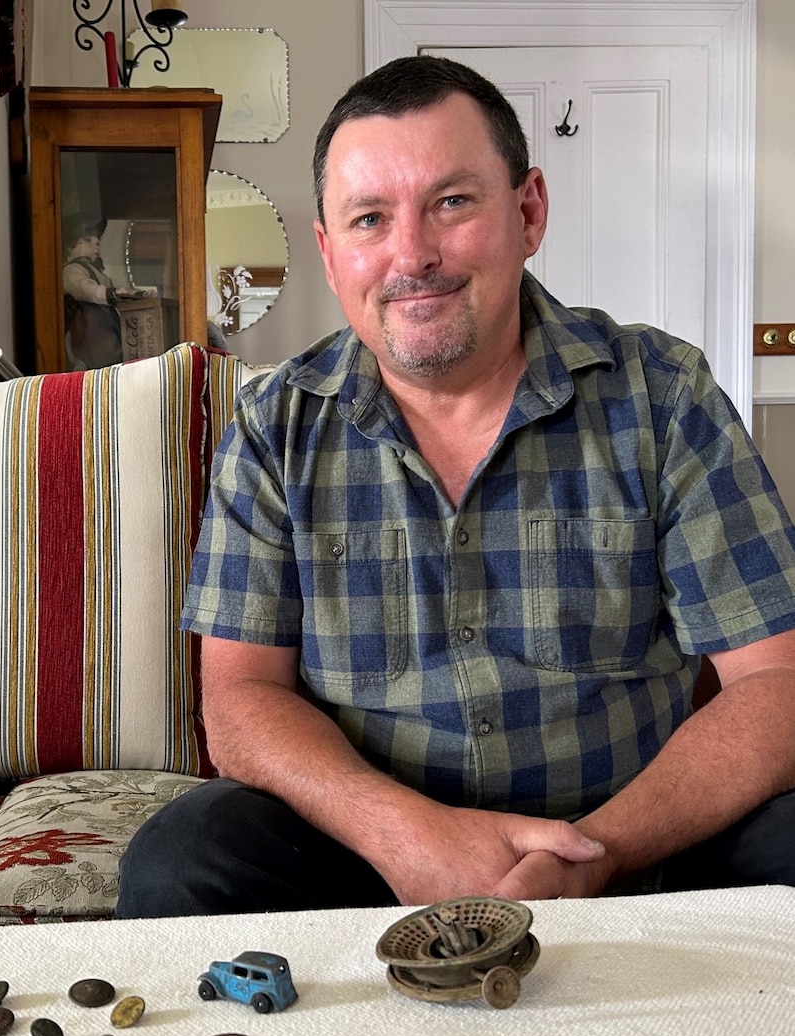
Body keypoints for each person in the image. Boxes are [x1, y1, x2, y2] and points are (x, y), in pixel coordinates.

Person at [117, 56, 795, 918]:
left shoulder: (664, 396)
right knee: (182, 858)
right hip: (369, 855)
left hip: (638, 848)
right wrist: (407, 833)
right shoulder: (274, 424)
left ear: (529, 211)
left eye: (452, 202)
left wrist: (599, 851)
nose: (413, 255)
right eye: (369, 219)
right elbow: (241, 699)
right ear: (330, 253)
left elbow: (776, 682)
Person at [62, 218, 146, 370]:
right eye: (88, 241)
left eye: (97, 242)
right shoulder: (71, 270)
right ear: (70, 246)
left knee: (112, 351)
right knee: (100, 354)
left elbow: (115, 287)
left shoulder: (97, 271)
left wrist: (136, 294)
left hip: (107, 326)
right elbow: (85, 289)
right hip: (90, 328)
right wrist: (108, 293)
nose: (95, 245)